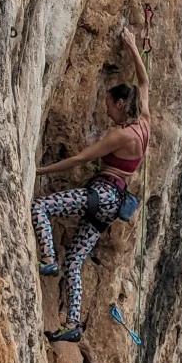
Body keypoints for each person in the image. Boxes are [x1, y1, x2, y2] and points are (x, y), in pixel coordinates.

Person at [31, 25, 151, 343]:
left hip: (101, 195)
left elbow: (80, 159)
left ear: (122, 104)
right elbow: (144, 82)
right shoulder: (144, 124)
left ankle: (47, 258)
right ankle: (72, 323)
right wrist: (132, 45)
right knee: (74, 260)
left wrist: (38, 170)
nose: (106, 110)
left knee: (41, 206)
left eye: (109, 104)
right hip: (111, 206)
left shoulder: (120, 135)